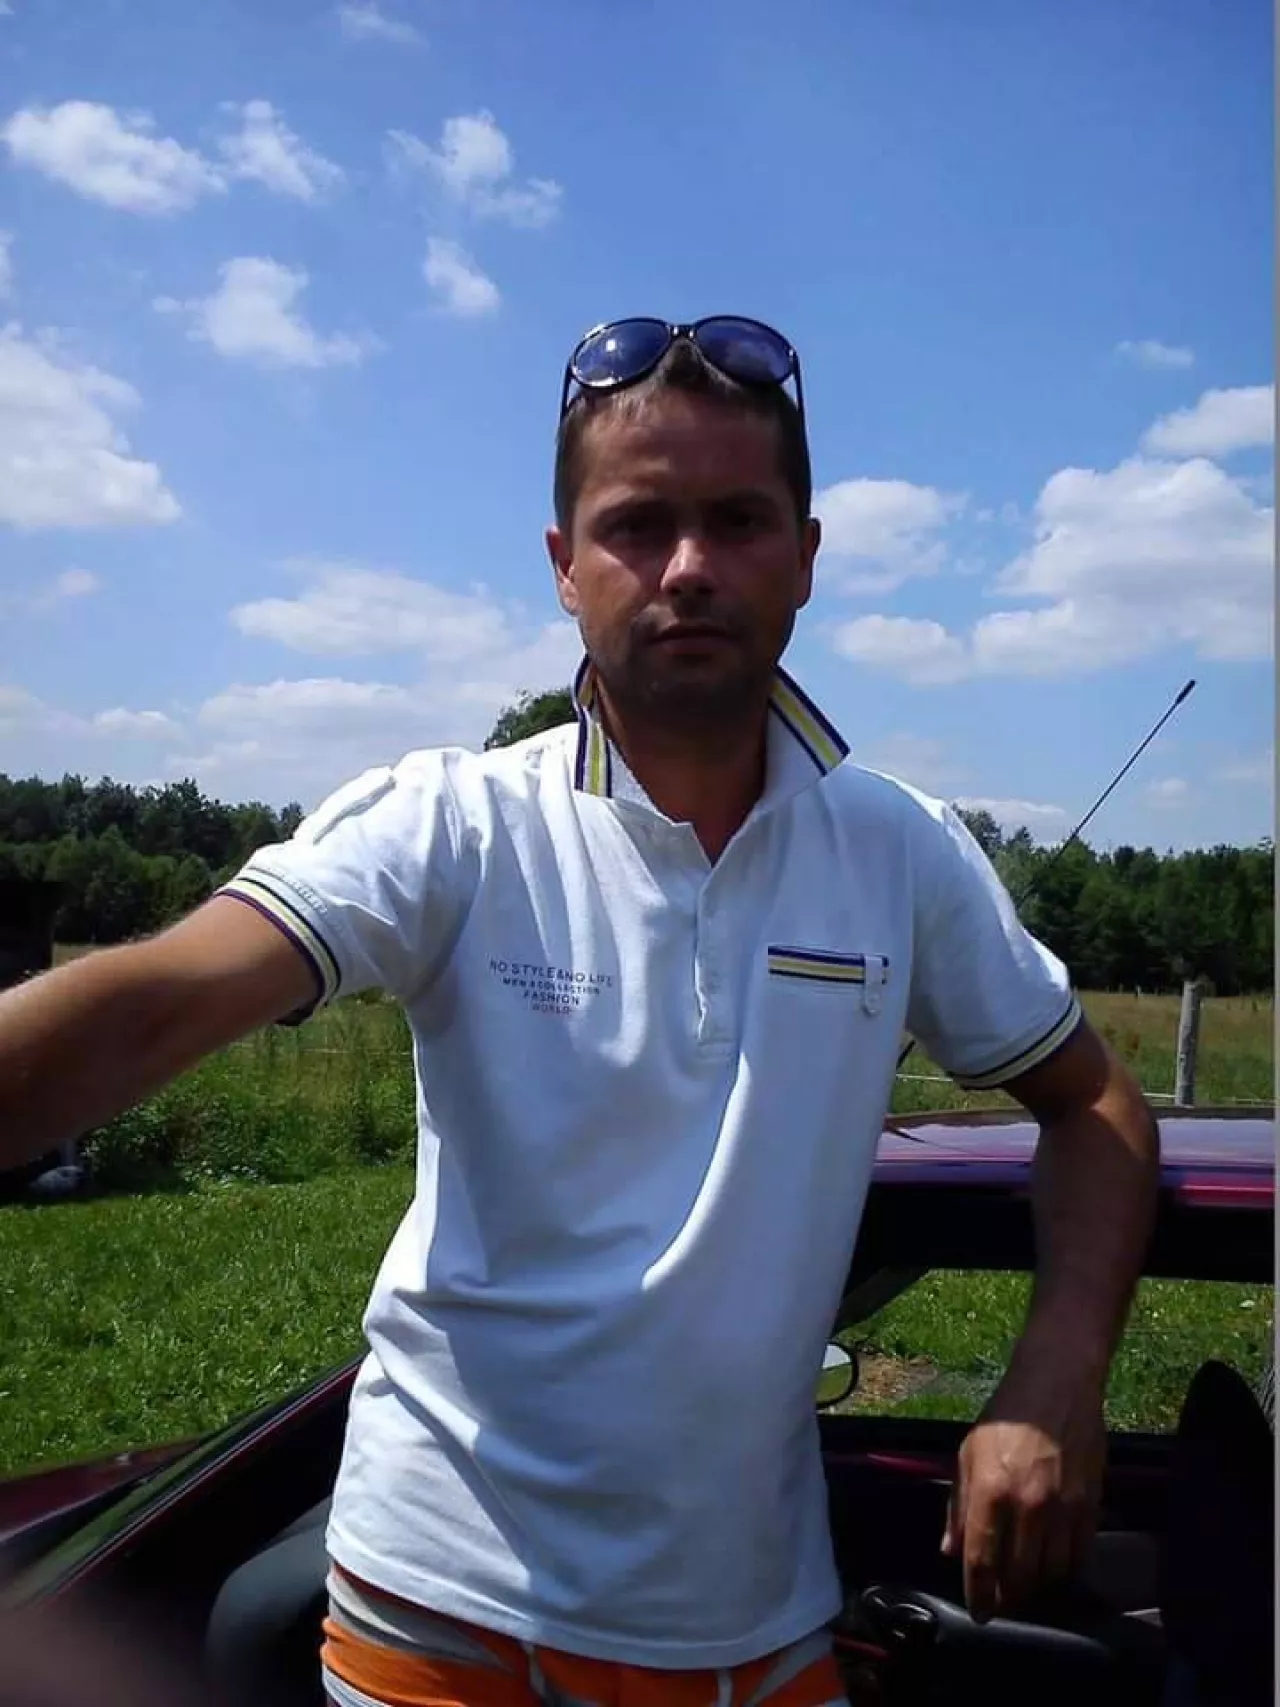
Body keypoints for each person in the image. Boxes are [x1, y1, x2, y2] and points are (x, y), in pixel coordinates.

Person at [0, 316, 1160, 1707]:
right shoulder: (455, 822)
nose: (689, 566)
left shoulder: (898, 851)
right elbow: (158, 1001)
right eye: (637, 525)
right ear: (564, 565)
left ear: (806, 555)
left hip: (756, 1626)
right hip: (438, 1619)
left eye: (738, 521)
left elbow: (1096, 1104)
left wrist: (1054, 1378)